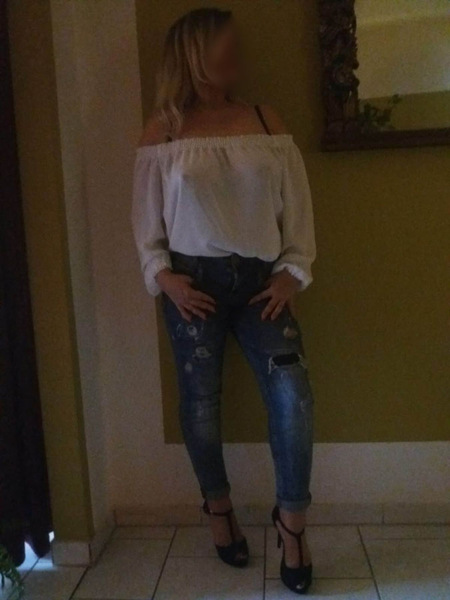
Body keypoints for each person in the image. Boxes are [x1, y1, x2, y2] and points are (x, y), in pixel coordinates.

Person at [132, 8, 315, 595]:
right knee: (201, 404)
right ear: (194, 54)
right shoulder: (163, 131)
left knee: (292, 396)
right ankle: (218, 509)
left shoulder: (264, 120)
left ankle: (292, 525)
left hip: (262, 285)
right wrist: (165, 279)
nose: (237, 56)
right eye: (225, 46)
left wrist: (292, 273)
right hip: (193, 287)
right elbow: (146, 224)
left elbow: (297, 206)